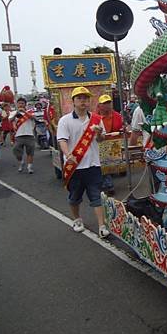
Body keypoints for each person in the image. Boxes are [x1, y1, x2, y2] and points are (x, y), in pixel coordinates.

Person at [56, 86, 110, 238]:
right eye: (79, 98)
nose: (83, 101)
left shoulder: (96, 120)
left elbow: (100, 140)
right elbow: (62, 140)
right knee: (75, 197)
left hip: (93, 164)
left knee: (96, 196)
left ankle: (101, 225)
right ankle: (77, 219)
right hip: (75, 166)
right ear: (73, 101)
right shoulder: (64, 120)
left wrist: (99, 134)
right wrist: (68, 154)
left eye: (86, 98)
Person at [96, 94, 123, 195]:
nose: (107, 105)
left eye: (108, 103)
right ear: (99, 106)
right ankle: (108, 185)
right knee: (103, 164)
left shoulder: (117, 116)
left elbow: (120, 128)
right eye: (105, 103)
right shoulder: (95, 117)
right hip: (101, 143)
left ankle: (108, 184)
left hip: (114, 143)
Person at [9, 98, 36, 174]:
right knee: (16, 150)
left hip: (29, 135)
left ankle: (29, 167)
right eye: (19, 103)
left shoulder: (29, 112)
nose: (21, 105)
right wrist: (16, 113)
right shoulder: (13, 112)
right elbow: (10, 120)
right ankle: (21, 161)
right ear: (17, 104)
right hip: (18, 135)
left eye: (22, 103)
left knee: (30, 152)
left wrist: (24, 112)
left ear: (25, 104)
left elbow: (33, 118)